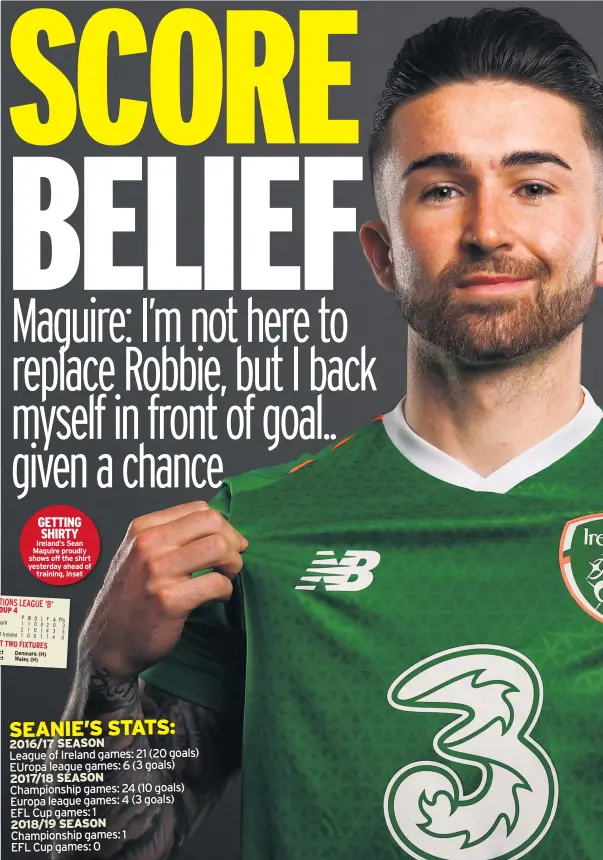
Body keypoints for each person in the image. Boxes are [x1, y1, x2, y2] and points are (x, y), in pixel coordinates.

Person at [58, 7, 603, 859]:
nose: (488, 229)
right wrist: (104, 670)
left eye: (532, 186)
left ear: (601, 239)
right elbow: (77, 849)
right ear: (382, 255)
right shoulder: (248, 529)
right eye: (441, 189)